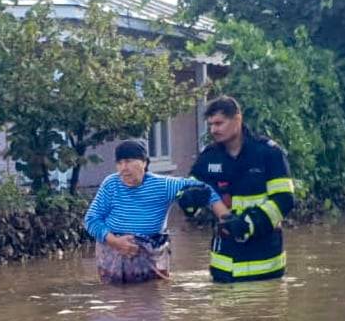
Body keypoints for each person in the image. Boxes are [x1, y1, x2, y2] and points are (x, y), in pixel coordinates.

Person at [85, 139, 229, 284]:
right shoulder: (111, 184)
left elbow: (206, 189)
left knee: (154, 294)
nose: (123, 168)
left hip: (151, 255)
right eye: (119, 163)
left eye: (128, 161)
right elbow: (91, 219)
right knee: (114, 296)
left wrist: (225, 219)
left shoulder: (164, 185)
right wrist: (115, 242)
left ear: (144, 163)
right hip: (113, 253)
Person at [187, 96, 295, 282]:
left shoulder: (268, 153)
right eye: (211, 124)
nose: (213, 130)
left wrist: (249, 223)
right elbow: (190, 204)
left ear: (237, 119)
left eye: (219, 123)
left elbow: (284, 200)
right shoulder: (208, 157)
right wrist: (188, 200)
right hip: (223, 270)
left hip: (265, 267)